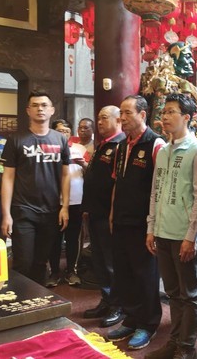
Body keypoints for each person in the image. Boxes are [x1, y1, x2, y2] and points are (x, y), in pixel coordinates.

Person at [145, 93, 197, 359]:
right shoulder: (163, 150)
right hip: (162, 231)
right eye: (163, 112)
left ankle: (187, 347)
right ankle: (174, 342)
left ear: (187, 117)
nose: (165, 117)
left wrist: (190, 236)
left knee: (190, 293)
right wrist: (151, 227)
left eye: (172, 112)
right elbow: (155, 191)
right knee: (172, 292)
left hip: (184, 234)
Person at [106, 95, 165, 350]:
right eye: (121, 112)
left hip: (143, 223)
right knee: (125, 273)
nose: (123, 117)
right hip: (120, 220)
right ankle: (131, 318)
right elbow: (117, 183)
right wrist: (111, 213)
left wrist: (154, 226)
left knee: (145, 275)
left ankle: (148, 323)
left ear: (143, 115)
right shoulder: (121, 146)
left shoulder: (156, 144)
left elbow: (159, 188)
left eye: (128, 112)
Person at [0, 91, 71, 285]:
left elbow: (66, 175)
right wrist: (6, 214)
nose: (40, 108)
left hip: (51, 210)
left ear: (52, 110)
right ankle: (19, 304)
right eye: (35, 105)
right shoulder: (16, 139)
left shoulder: (61, 140)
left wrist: (64, 206)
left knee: (41, 262)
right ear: (28, 110)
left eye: (44, 105)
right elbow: (8, 178)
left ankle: (37, 305)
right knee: (23, 262)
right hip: (23, 210)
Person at [82, 106, 126, 327]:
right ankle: (106, 299)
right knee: (99, 261)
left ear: (118, 120)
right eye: (98, 117)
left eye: (104, 118)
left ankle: (118, 305)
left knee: (111, 263)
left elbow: (117, 183)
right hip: (95, 213)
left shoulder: (120, 145)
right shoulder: (102, 145)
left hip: (109, 215)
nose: (99, 122)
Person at [46, 119, 86, 287]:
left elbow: (90, 172)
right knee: (53, 238)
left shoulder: (80, 149)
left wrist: (84, 164)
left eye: (67, 131)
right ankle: (54, 272)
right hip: (53, 201)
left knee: (73, 238)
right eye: (60, 131)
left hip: (76, 200)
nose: (64, 134)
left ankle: (71, 271)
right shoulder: (48, 148)